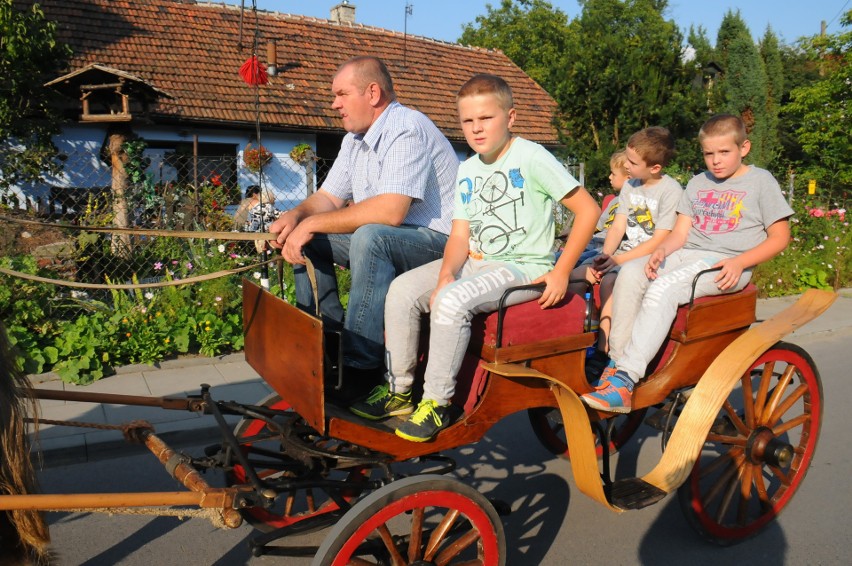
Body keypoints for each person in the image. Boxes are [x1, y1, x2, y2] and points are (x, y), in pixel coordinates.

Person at [349, 74, 600, 442]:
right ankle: (399, 390)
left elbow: (589, 210)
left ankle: (437, 402)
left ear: (510, 117)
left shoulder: (531, 156)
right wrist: (446, 273)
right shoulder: (467, 169)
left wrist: (562, 271)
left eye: (486, 118)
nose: (476, 129)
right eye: (468, 121)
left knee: (450, 303)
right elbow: (460, 236)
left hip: (522, 266)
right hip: (477, 260)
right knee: (402, 290)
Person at [582, 114, 793, 413]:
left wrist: (740, 262)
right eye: (709, 153)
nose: (716, 161)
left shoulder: (760, 181)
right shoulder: (697, 182)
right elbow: (680, 233)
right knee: (630, 271)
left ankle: (626, 380)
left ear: (744, 147)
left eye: (724, 152)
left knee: (662, 290)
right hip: (687, 254)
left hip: (726, 263)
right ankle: (615, 364)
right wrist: (660, 252)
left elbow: (780, 237)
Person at [268, 56, 458, 388]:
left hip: (443, 245)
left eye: (341, 94)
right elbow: (328, 197)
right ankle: (326, 345)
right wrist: (297, 217)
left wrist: (313, 223)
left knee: (370, 237)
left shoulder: (406, 128)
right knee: (308, 239)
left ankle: (360, 367)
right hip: (400, 238)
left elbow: (390, 212)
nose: (334, 104)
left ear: (372, 93)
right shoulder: (354, 139)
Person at [569, 127, 682, 364]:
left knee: (610, 280)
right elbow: (618, 227)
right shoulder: (631, 186)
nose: (627, 165)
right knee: (579, 274)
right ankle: (571, 339)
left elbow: (660, 239)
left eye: (632, 162)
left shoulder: (670, 191)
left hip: (648, 255)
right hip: (623, 251)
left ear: (655, 168)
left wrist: (616, 261)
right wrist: (606, 255)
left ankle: (605, 348)